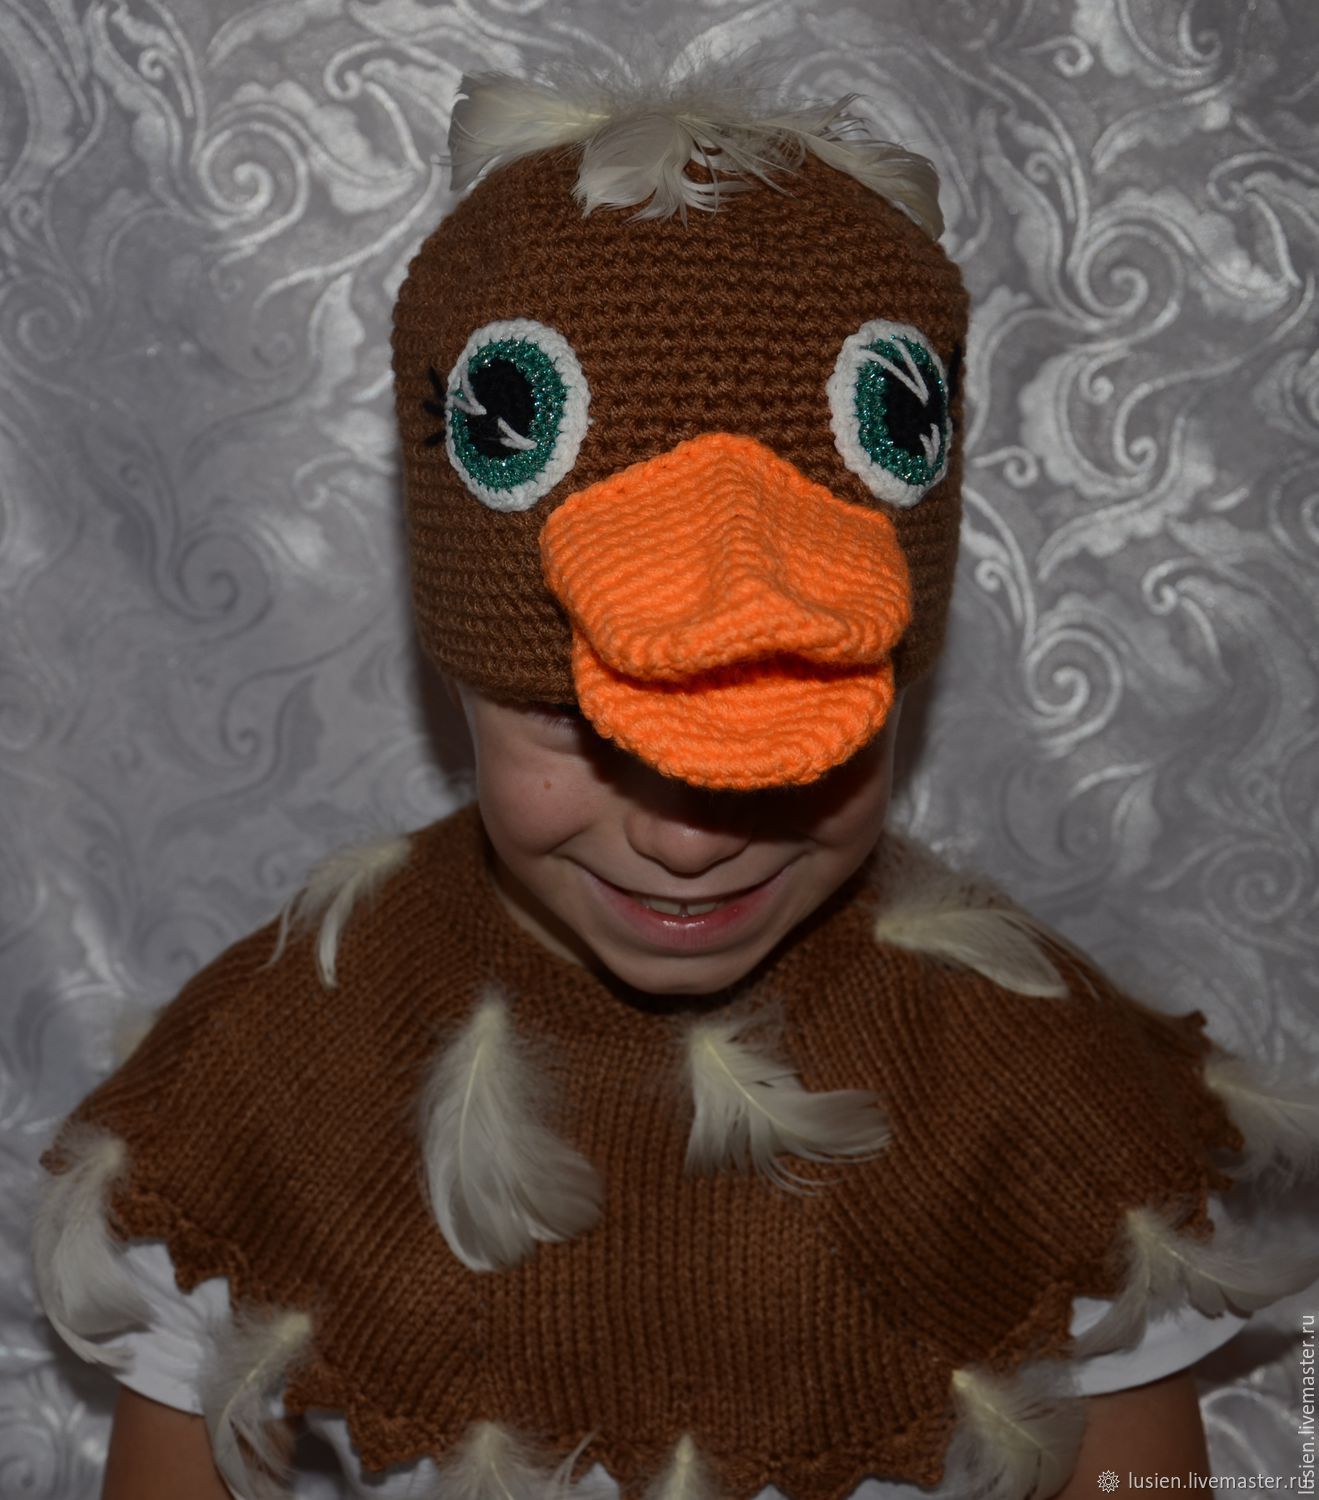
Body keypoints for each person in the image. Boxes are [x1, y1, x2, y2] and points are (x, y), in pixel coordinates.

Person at [34, 56, 1316, 1500]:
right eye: (580, 728)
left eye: (799, 728)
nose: (691, 845)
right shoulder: (283, 1072)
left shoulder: (1030, 1089)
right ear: (456, 678)